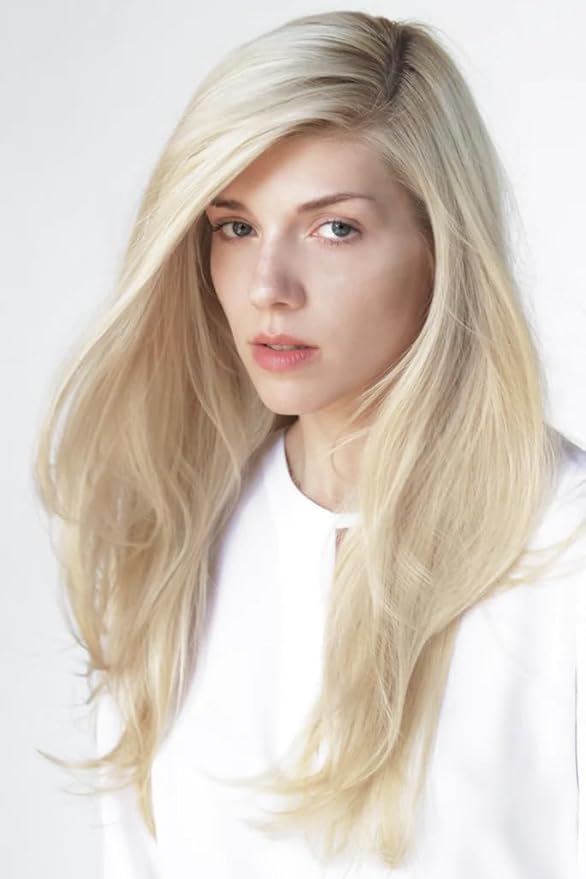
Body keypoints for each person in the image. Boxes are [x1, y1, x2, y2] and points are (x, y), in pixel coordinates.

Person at [32, 10, 586, 877]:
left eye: (335, 228)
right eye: (236, 226)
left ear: (440, 245)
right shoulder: (169, 547)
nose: (268, 288)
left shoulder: (563, 550)